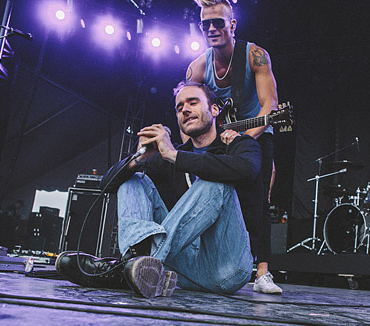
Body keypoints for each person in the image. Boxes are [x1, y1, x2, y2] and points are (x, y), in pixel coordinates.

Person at [55, 80, 263, 298]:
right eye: (179, 107)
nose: (185, 110)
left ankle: (125, 269)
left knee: (215, 181)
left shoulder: (238, 144)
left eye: (193, 102)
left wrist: (174, 155)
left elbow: (247, 169)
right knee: (134, 179)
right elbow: (106, 184)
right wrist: (138, 160)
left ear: (214, 109)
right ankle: (136, 263)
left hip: (227, 268)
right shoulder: (168, 157)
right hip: (183, 269)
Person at [186, 0, 282, 294]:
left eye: (218, 22)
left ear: (232, 24)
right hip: (219, 137)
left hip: (256, 132)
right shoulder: (198, 67)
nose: (212, 29)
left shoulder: (254, 55)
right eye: (206, 24)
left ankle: (262, 272)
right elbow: (189, 109)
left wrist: (244, 139)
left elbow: (270, 105)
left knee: (259, 199)